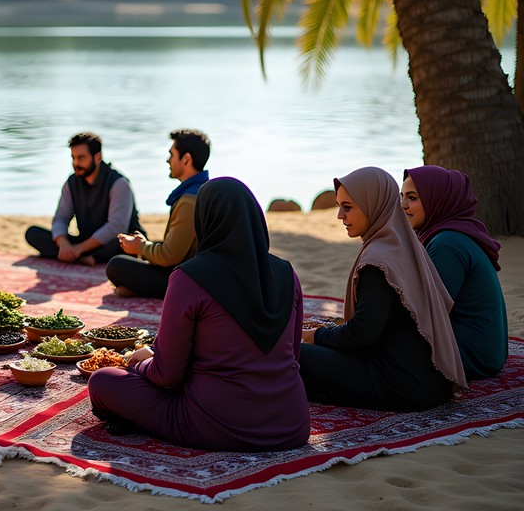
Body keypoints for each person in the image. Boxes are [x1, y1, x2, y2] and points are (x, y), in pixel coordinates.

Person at [87, 178, 309, 450]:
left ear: (204, 220)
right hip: (291, 425)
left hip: (216, 424)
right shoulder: (288, 273)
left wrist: (139, 363)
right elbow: (293, 356)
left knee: (103, 381)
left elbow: (167, 375)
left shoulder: (189, 276)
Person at [300, 167, 466, 411]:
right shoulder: (403, 245)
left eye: (348, 207)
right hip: (431, 384)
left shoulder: (378, 261)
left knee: (294, 356)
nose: (339, 216)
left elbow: (361, 335)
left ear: (372, 205)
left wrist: (314, 337)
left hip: (401, 386)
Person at [402, 166, 508, 379]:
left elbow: (428, 310)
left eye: (412, 198)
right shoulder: (447, 235)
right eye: (401, 197)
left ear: (438, 199)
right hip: (482, 350)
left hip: (472, 354)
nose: (403, 205)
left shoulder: (446, 244)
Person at [106, 129, 210, 297]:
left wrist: (141, 246)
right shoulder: (202, 189)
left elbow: (169, 256)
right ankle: (136, 289)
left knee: (116, 265)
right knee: (135, 249)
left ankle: (150, 291)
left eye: (172, 155)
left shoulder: (189, 201)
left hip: (188, 280)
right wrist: (144, 245)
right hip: (193, 270)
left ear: (186, 159)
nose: (167, 160)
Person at [25, 132, 145, 266]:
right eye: (73, 157)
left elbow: (115, 227)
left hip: (111, 242)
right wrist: (64, 244)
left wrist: (78, 249)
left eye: (81, 158)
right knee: (33, 233)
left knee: (123, 242)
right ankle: (83, 257)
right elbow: (61, 218)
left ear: (97, 156)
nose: (76, 163)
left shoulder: (119, 183)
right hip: (85, 241)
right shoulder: (71, 183)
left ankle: (87, 256)